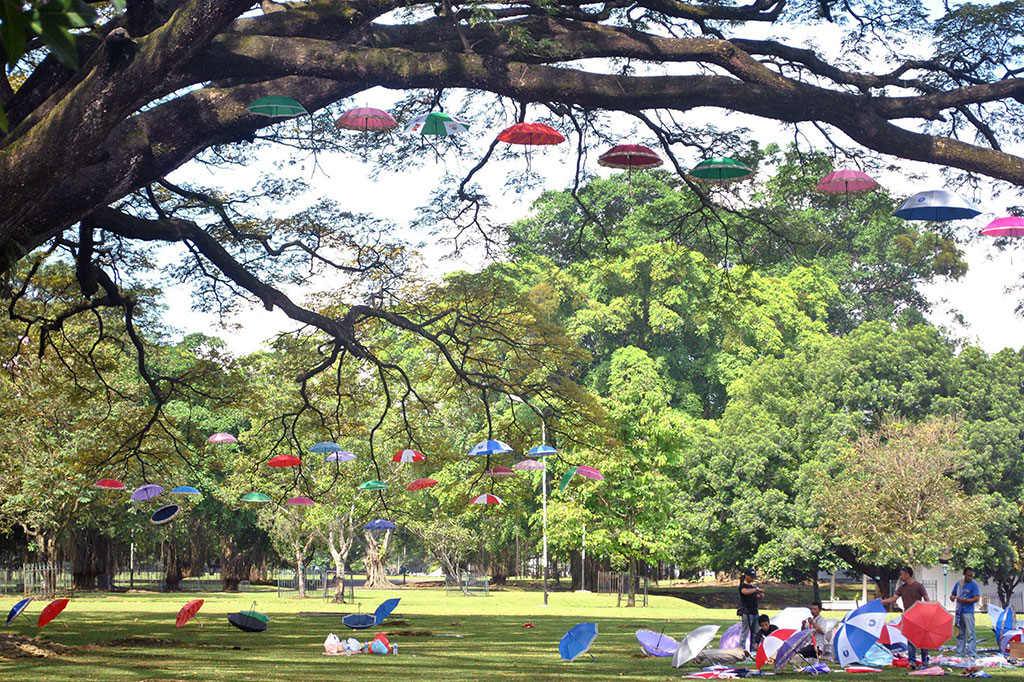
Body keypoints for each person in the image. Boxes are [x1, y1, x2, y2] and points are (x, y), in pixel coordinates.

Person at [882, 566, 930, 669]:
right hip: (908, 617)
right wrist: (882, 601)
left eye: (902, 574)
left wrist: (926, 613)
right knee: (910, 640)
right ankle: (912, 663)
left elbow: (927, 600)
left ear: (908, 574)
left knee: (922, 639)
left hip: (919, 616)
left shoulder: (919, 586)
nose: (901, 576)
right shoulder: (901, 588)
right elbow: (893, 599)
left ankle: (925, 661)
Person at [951, 567, 980, 660]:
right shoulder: (959, 584)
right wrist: (952, 597)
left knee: (970, 632)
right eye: (968, 575)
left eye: (971, 576)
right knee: (960, 633)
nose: (970, 577)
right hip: (959, 612)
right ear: (964, 575)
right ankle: (960, 652)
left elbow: (976, 598)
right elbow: (953, 594)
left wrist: (964, 600)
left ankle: (972, 652)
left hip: (968, 612)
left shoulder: (974, 585)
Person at [738, 569, 765, 651]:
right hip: (747, 613)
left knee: (755, 634)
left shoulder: (753, 587)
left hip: (755, 612)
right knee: (744, 633)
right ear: (746, 576)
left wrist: (761, 596)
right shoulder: (743, 586)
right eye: (751, 576)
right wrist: (757, 590)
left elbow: (757, 597)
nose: (752, 578)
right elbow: (745, 592)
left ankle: (753, 651)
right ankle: (741, 651)